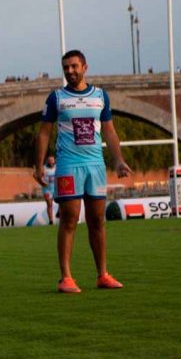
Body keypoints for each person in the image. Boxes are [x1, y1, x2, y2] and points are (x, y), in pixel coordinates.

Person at [34, 50, 131, 293]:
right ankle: (66, 278)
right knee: (69, 219)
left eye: (74, 66)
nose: (70, 71)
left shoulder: (100, 96)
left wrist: (118, 160)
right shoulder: (56, 98)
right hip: (68, 166)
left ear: (85, 67)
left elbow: (109, 130)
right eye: (66, 67)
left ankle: (103, 275)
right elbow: (44, 132)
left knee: (97, 220)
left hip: (95, 166)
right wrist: (38, 165)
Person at [41, 155, 57, 225]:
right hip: (47, 189)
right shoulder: (43, 168)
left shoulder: (57, 167)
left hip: (56, 188)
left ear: (54, 161)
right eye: (49, 160)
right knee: (49, 204)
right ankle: (51, 220)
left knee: (62, 202)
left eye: (52, 160)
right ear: (47, 161)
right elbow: (35, 175)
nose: (51, 162)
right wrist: (42, 182)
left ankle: (59, 212)